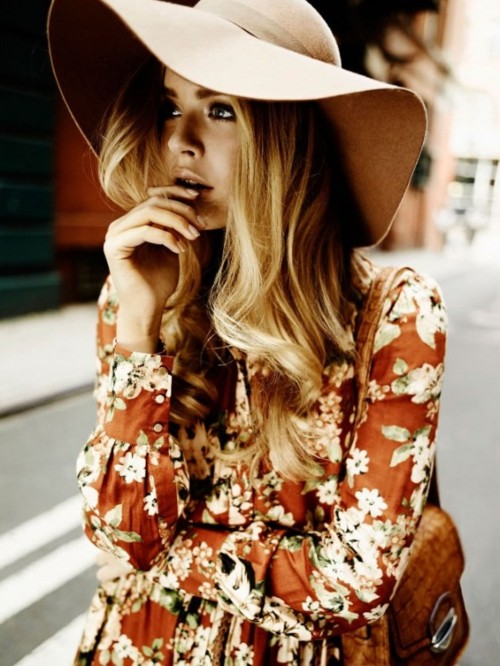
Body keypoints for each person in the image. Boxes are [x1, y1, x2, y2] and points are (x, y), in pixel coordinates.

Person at [48, 0, 448, 664]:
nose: (179, 142)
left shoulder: (395, 315)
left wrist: (173, 555)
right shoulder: (141, 288)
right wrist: (140, 327)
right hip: (137, 646)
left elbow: (356, 582)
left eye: (221, 110)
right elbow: (123, 534)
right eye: (171, 106)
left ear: (288, 135)